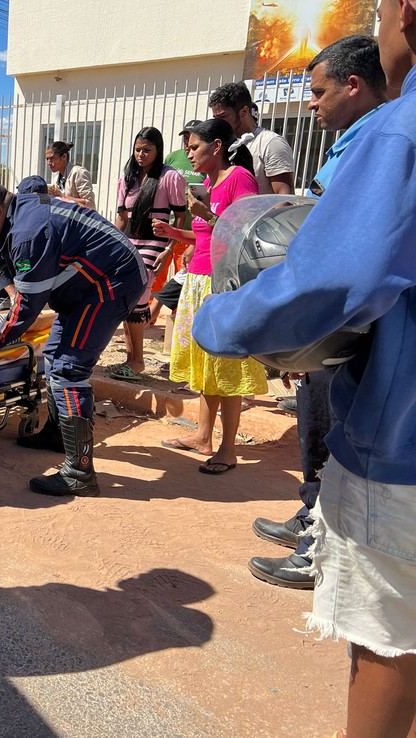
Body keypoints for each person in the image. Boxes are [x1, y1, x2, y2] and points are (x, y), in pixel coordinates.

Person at [193, 2, 416, 732]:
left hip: (402, 449)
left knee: (389, 644)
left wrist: (220, 321)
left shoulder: (399, 131)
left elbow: (332, 282)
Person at [248, 34, 388, 589]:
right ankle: (311, 512)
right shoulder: (351, 145)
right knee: (315, 423)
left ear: (353, 86)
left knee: (336, 434)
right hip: (329, 324)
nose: (311, 102)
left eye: (318, 91)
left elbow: (341, 251)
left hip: (346, 327)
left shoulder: (380, 145)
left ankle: (318, 550)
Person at [0, 178, 146, 497]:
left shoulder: (30, 231)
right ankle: (58, 435)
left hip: (109, 284)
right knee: (53, 356)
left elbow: (26, 307)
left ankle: (80, 472)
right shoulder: (19, 213)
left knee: (69, 369)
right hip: (86, 284)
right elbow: (1, 251)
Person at [151, 118, 266, 475]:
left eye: (194, 146)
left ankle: (228, 449)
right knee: (205, 365)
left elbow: (246, 232)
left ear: (216, 146)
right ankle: (203, 436)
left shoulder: (238, 179)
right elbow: (205, 237)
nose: (189, 153)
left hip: (225, 284)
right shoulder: (204, 183)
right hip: (199, 280)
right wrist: (176, 233)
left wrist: (208, 215)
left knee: (226, 364)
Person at [109, 127, 186, 380]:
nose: (141, 155)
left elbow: (181, 216)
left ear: (158, 151)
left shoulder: (169, 177)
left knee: (138, 296)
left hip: (155, 244)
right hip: (128, 243)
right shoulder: (127, 178)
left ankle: (138, 360)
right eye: (138, 149)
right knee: (125, 299)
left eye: (147, 150)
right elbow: (122, 218)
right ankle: (131, 359)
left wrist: (169, 248)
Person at [150, 119, 205, 323]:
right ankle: (149, 316)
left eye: (190, 137)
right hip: (170, 225)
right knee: (158, 271)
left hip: (193, 229)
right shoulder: (173, 157)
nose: (186, 142)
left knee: (183, 270)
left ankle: (175, 316)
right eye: (184, 137)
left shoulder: (204, 159)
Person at [208, 81, 295, 195]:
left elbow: (284, 199)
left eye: (223, 116)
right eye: (215, 118)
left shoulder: (270, 143)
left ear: (244, 111)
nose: (218, 123)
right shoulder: (220, 145)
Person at [44, 141, 96, 210]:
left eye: (52, 158)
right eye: (47, 159)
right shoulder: (56, 179)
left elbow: (90, 204)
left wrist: (62, 197)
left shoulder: (78, 173)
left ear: (64, 156)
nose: (49, 163)